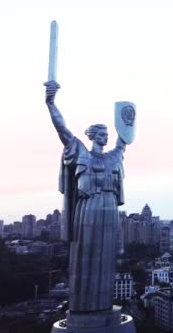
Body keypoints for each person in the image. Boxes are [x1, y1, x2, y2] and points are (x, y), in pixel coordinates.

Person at [45, 81, 126, 312]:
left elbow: (126, 136)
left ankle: (104, 304)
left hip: (110, 207)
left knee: (106, 255)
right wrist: (51, 103)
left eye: (107, 133)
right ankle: (83, 304)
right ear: (92, 135)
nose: (106, 137)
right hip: (88, 206)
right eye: (101, 133)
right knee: (86, 252)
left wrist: (127, 119)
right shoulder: (80, 151)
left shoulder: (114, 157)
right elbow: (62, 129)